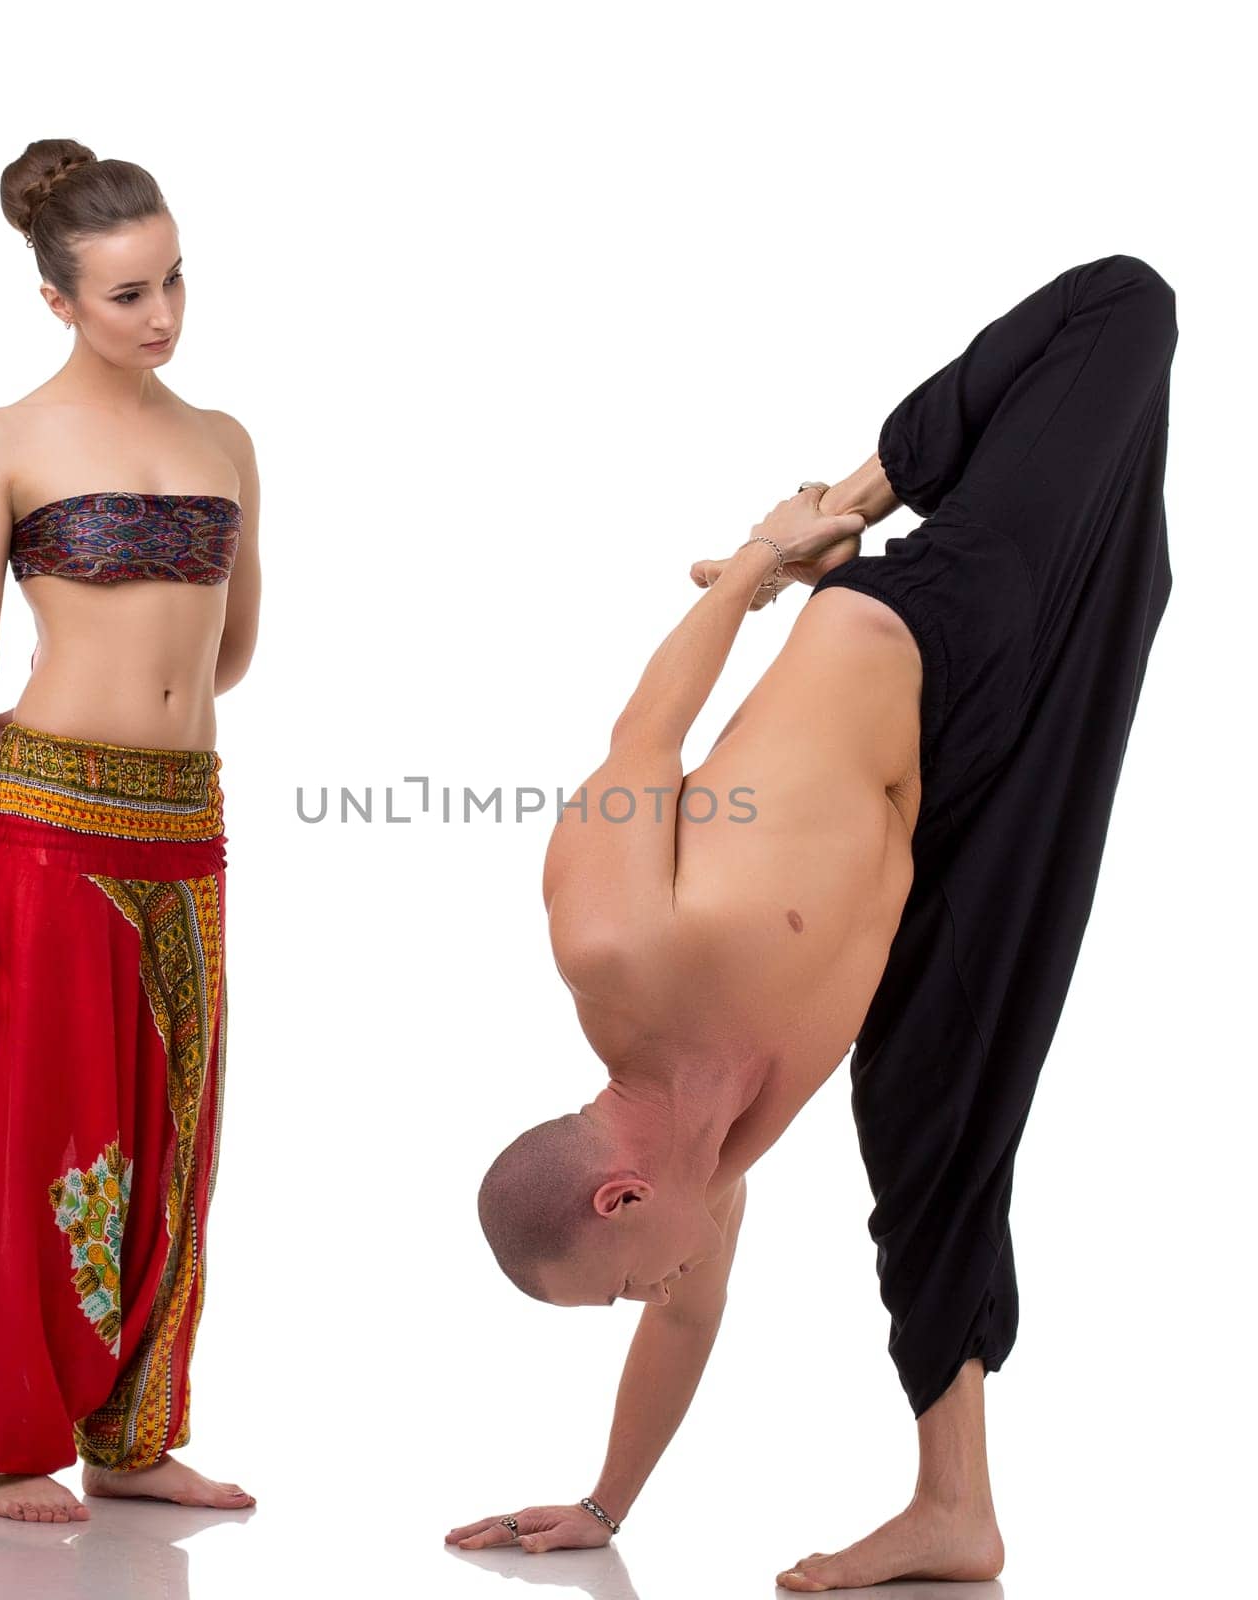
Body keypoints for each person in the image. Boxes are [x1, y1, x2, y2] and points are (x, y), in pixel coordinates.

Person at [446, 254, 1176, 1590]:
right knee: (935, 1140)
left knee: (1123, 308)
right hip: (960, 838)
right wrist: (603, 1509)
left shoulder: (610, 948)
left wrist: (775, 557)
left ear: (620, 1196)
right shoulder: (701, 1174)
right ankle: (957, 1510)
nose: (646, 1298)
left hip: (941, 636)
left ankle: (873, 484)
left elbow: (644, 737)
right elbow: (691, 1322)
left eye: (619, 1284)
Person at [0, 139, 263, 1525]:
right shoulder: (1, 442)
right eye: (127, 293)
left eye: (173, 279)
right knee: (42, 1127)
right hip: (48, 818)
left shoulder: (224, 442)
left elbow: (234, 648)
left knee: (174, 1128)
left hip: (186, 819)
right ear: (60, 299)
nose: (163, 314)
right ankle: (7, 1443)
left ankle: (134, 1435)